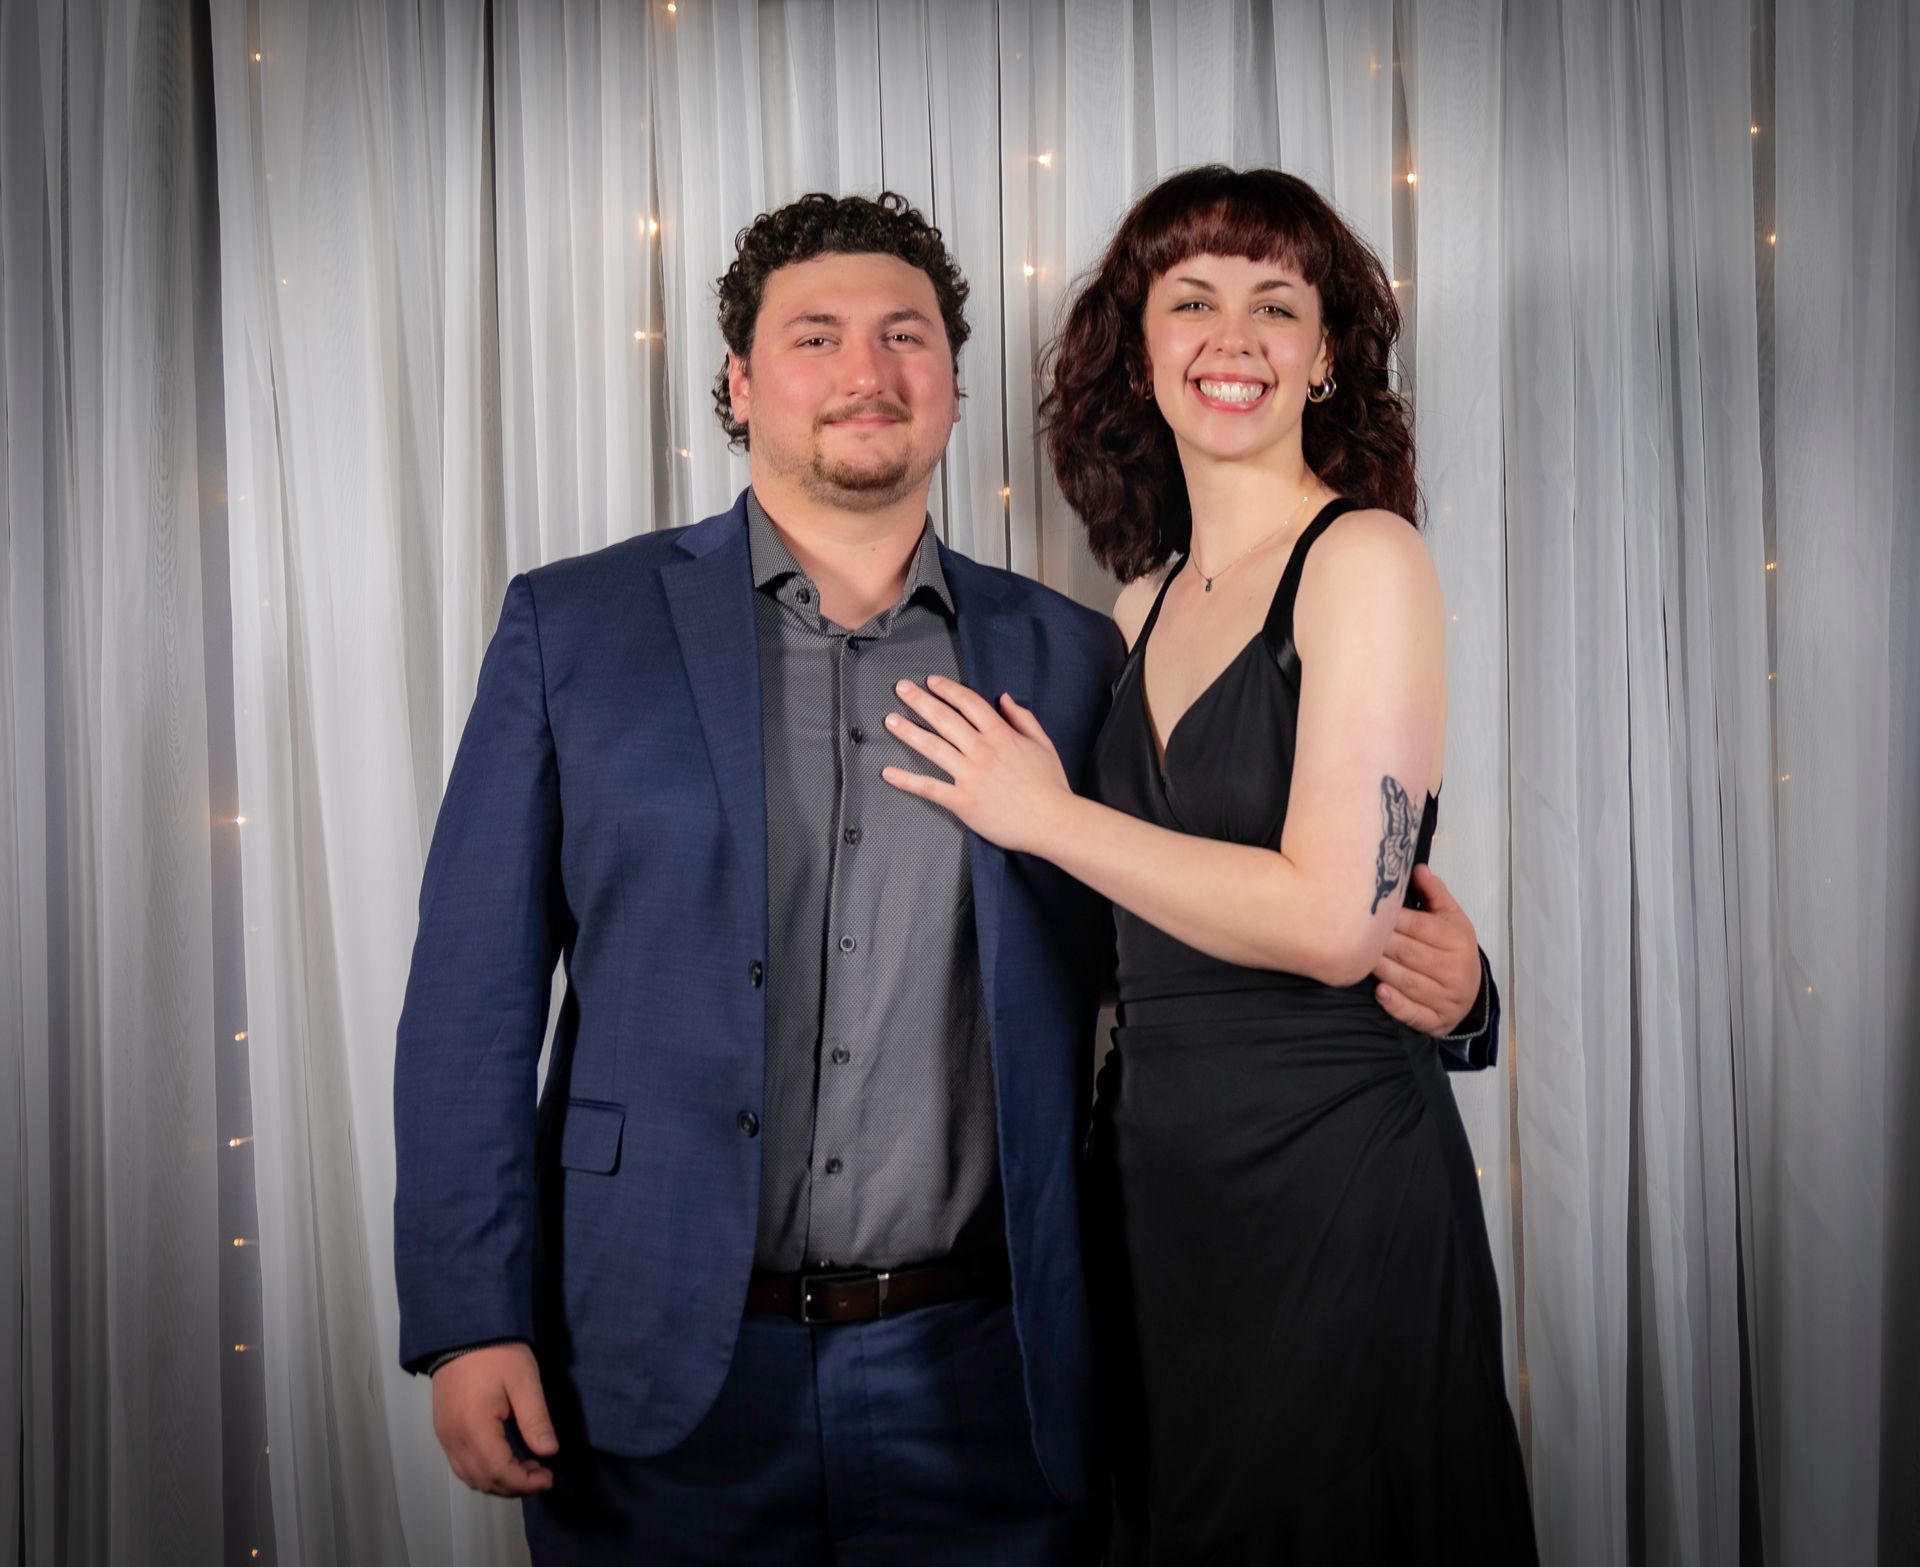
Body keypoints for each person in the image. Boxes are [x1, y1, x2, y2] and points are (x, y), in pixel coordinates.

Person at [393, 189, 1498, 1565]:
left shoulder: (1074, 651)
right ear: (740, 384)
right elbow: (468, 1004)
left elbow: (1192, 922)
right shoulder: (573, 627)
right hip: (653, 1361)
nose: (866, 373)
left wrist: (1454, 986)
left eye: (904, 336)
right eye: (816, 338)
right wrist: (469, 1314)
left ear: (954, 386)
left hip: (990, 1374)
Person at [878, 166, 1537, 1562]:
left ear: (1322, 359)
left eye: (1275, 304)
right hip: (1161, 1187)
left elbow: (1330, 924)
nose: (1231, 337)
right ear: (1140, 347)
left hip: (1337, 1176)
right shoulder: (1138, 602)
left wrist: (1044, 813)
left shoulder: (1366, 558)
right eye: (1192, 300)